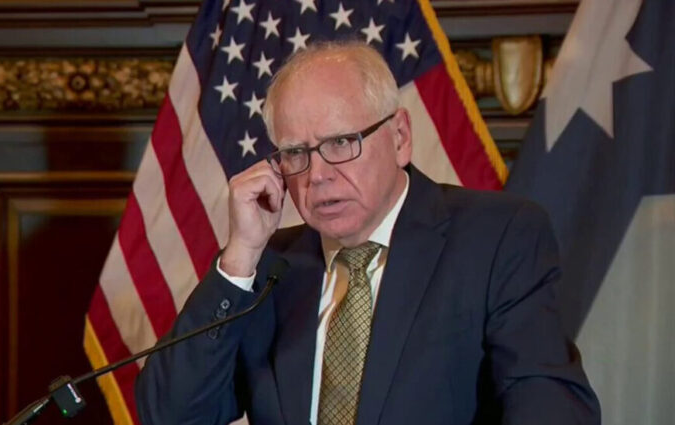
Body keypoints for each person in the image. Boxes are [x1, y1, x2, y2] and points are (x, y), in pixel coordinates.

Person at [135, 40, 600, 425]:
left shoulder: (497, 237)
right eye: (296, 153)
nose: (317, 175)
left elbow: (550, 403)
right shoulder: (270, 268)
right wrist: (239, 259)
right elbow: (169, 415)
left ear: (399, 137)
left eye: (341, 142)